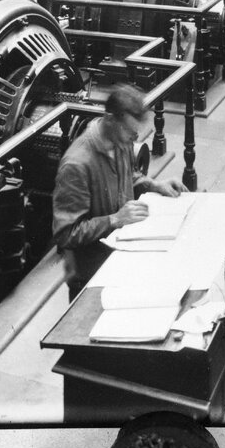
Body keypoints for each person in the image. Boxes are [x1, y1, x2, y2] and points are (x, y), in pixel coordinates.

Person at [52, 83, 185, 300]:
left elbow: (127, 175)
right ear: (110, 120)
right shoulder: (76, 165)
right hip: (92, 279)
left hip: (123, 259)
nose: (134, 138)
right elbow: (66, 234)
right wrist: (115, 219)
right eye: (130, 132)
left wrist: (153, 185)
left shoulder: (120, 139)